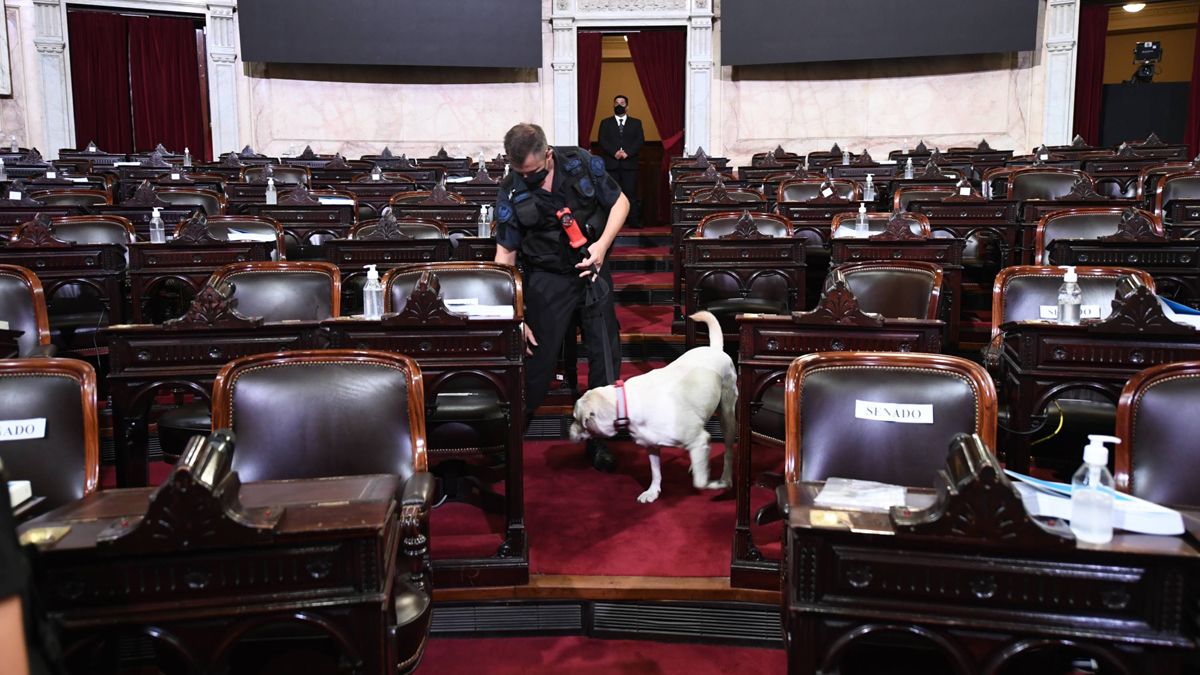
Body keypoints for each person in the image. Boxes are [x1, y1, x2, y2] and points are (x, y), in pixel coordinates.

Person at [495, 123, 628, 472]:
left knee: (604, 355)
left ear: (549, 155)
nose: (528, 179)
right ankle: (510, 438)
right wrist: (515, 315)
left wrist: (602, 247)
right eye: (521, 173)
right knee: (535, 359)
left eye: (534, 172)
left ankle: (599, 438)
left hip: (591, 268)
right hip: (546, 278)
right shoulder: (510, 189)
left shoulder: (580, 163)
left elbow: (620, 203)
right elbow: (505, 256)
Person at [597, 95, 644, 227]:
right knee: (611, 195)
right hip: (611, 164)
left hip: (630, 164)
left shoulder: (636, 123)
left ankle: (633, 221)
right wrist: (614, 153)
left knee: (630, 193)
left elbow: (640, 141)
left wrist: (627, 153)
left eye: (622, 103)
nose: (619, 105)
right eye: (616, 103)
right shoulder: (605, 123)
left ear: (627, 107)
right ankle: (610, 224)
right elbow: (602, 140)